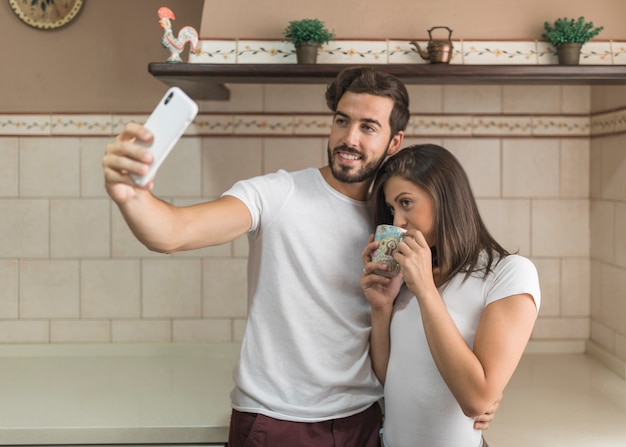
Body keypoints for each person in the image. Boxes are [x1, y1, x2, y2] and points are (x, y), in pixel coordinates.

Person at [102, 67, 496, 447]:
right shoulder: (277, 194)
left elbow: (430, 324)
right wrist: (132, 195)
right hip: (275, 422)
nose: (349, 138)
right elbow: (173, 233)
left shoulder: (394, 219)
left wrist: (487, 392)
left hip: (365, 421)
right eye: (342, 121)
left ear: (394, 142)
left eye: (368, 127)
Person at [360, 144, 541, 447]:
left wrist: (427, 291)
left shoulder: (509, 274)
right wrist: (381, 307)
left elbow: (476, 399)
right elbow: (389, 379)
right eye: (392, 209)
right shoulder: (410, 276)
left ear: (444, 197)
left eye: (406, 203)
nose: (398, 223)